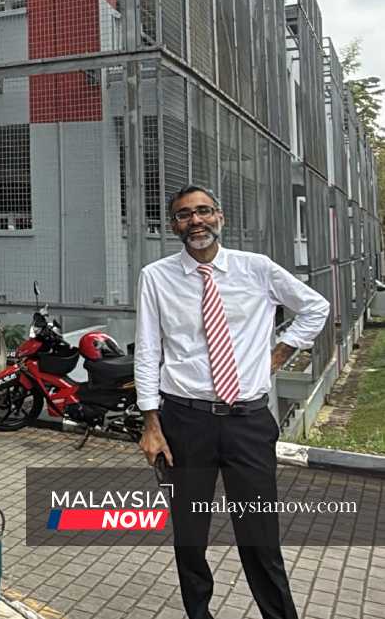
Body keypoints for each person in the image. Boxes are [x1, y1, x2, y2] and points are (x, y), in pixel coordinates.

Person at [135, 185, 330, 619]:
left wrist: (281, 352)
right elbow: (148, 352)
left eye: (203, 211)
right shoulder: (156, 277)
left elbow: (315, 308)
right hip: (185, 422)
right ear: (173, 225)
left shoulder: (256, 268)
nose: (196, 221)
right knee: (190, 535)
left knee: (260, 536)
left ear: (219, 217)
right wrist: (151, 425)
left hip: (248, 422)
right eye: (184, 215)